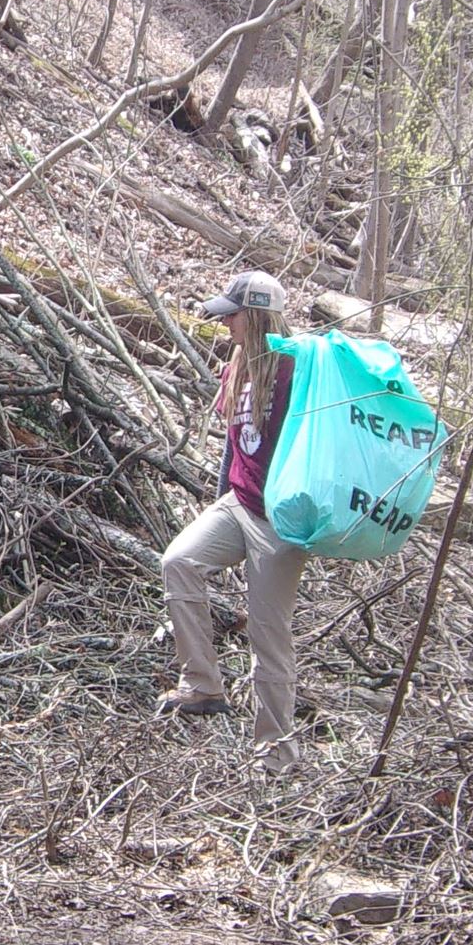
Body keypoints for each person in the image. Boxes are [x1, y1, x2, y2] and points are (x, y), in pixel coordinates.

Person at [157, 269, 310, 767]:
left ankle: (277, 749)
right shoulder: (238, 365)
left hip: (279, 519)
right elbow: (232, 440)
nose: (227, 326)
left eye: (235, 316)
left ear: (259, 317)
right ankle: (202, 684)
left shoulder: (295, 370)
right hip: (239, 503)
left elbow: (314, 446)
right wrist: (220, 499)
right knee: (179, 561)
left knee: (268, 631)